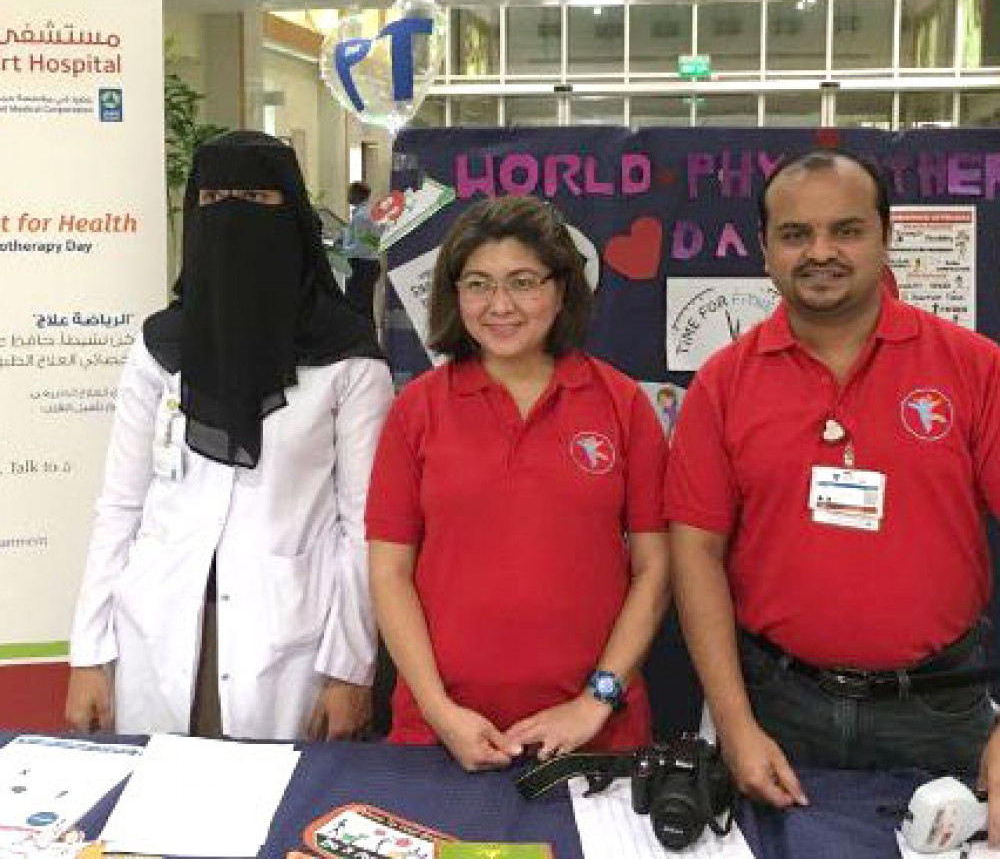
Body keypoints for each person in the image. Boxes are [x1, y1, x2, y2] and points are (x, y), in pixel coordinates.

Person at [665, 148, 1000, 839]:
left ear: (884, 236)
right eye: (795, 235)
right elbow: (695, 552)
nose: (821, 252)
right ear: (764, 249)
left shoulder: (973, 368)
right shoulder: (723, 385)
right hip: (777, 709)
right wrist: (733, 725)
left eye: (846, 230)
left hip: (939, 710)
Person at [65, 131, 394, 741]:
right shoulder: (160, 347)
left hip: (289, 639)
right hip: (157, 629)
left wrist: (350, 669)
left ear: (290, 213)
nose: (230, 213)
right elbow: (120, 506)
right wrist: (89, 652)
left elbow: (364, 530)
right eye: (214, 197)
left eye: (252, 197)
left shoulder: (347, 360)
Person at [365, 196, 670, 771]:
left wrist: (595, 701)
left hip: (594, 737)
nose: (499, 306)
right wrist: (438, 710)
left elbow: (656, 570)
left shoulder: (622, 404)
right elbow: (389, 572)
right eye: (477, 284)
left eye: (523, 282)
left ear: (561, 288)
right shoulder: (416, 411)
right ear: (454, 294)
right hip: (439, 736)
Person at [342, 180, 382, 324]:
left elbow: (361, 247)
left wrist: (343, 251)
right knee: (365, 307)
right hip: (370, 264)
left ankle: (359, 340)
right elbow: (371, 242)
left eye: (349, 193)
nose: (347, 196)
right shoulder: (370, 213)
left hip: (362, 266)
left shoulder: (360, 217)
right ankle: (367, 339)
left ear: (356, 195)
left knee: (356, 307)